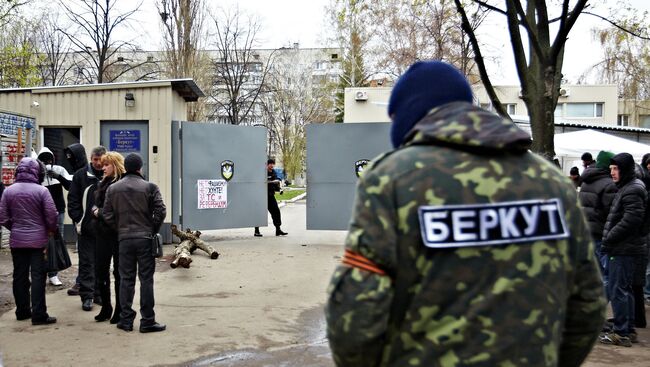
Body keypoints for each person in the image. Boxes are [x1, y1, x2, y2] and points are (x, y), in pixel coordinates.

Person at [325, 61, 605, 366]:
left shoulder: (393, 179)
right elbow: (587, 303)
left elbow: (356, 314)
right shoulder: (551, 183)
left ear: (410, 113)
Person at [103, 153, 166, 333]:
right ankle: (147, 321)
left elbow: (106, 214)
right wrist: (151, 229)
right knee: (146, 280)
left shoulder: (113, 189)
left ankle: (126, 320)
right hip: (145, 239)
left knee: (126, 280)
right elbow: (161, 211)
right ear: (140, 168)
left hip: (124, 240)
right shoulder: (150, 187)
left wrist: (120, 229)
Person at [0, 158, 58, 325]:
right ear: (36, 171)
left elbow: (3, 217)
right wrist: (49, 230)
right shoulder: (42, 191)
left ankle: (22, 311)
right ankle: (39, 315)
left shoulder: (8, 191)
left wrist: (16, 228)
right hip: (38, 241)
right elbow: (52, 215)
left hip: (17, 240)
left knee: (19, 275)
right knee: (38, 276)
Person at [600, 152, 647, 346]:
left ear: (625, 169)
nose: (612, 172)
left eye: (616, 169)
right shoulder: (629, 186)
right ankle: (627, 328)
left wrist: (610, 237)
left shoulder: (632, 189)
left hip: (623, 248)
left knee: (618, 289)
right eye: (611, 169)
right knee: (623, 289)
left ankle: (621, 332)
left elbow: (631, 219)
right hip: (625, 247)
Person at [68, 145, 105, 311]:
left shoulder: (110, 175)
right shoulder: (80, 176)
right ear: (91, 159)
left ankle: (98, 294)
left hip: (104, 230)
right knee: (86, 263)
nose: (98, 163)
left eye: (101, 160)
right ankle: (87, 296)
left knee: (102, 264)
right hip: (86, 229)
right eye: (95, 159)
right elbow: (73, 200)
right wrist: (78, 220)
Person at [91, 152, 125, 324]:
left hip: (118, 234)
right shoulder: (102, 183)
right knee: (101, 271)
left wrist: (99, 212)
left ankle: (119, 308)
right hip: (102, 234)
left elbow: (118, 211)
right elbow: (97, 204)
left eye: (106, 165)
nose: (102, 168)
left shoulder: (121, 184)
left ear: (115, 165)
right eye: (102, 165)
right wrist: (94, 209)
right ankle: (106, 307)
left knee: (119, 272)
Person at [578, 151, 617, 283]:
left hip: (588, 231)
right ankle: (601, 302)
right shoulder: (609, 184)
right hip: (602, 233)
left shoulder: (585, 181)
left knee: (596, 273)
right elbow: (612, 212)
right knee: (608, 274)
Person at [37, 147, 73, 287]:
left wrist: (58, 176)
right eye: (44, 160)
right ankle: (40, 272)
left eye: (49, 160)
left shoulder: (59, 169)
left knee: (58, 242)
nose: (47, 163)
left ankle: (54, 273)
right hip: (42, 212)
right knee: (42, 242)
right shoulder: (37, 171)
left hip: (58, 210)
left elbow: (70, 186)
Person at [63, 143, 90, 297]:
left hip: (88, 221)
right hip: (81, 220)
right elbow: (73, 195)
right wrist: (77, 218)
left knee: (86, 254)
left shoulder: (85, 173)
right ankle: (82, 281)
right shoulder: (78, 172)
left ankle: (83, 283)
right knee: (83, 253)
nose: (69, 160)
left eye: (71, 157)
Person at [254, 158, 288, 237]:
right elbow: (260, 182)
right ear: (267, 164)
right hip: (262, 196)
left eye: (273, 164)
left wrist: (280, 189)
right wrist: (269, 182)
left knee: (276, 211)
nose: (272, 165)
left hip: (270, 195)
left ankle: (278, 230)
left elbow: (276, 183)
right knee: (259, 213)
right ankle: (256, 231)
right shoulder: (263, 172)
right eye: (271, 164)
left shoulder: (273, 172)